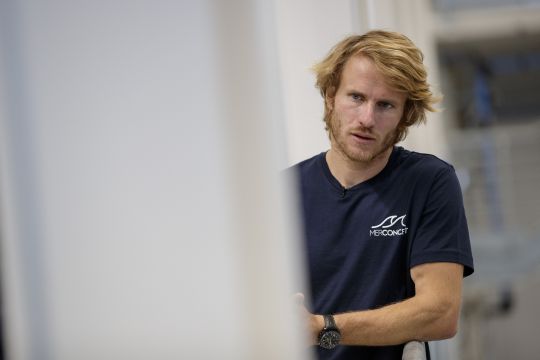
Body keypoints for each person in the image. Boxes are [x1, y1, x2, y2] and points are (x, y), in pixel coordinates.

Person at [289, 30, 474, 360]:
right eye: (356, 97)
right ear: (331, 95)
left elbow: (440, 313)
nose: (366, 119)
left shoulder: (429, 182)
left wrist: (324, 328)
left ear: (405, 115)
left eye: (385, 105)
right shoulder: (284, 192)